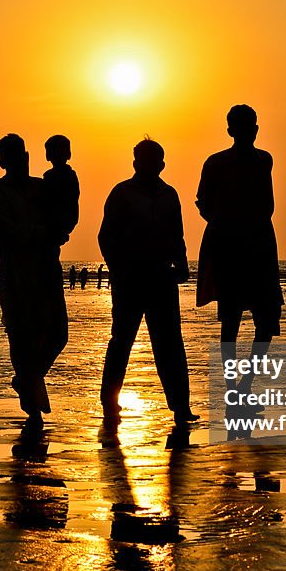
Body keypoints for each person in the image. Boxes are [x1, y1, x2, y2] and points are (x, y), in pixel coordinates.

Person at [98, 138, 199, 426]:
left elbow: (176, 234)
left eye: (154, 161)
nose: (148, 166)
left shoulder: (169, 195)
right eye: (143, 161)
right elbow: (106, 237)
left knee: (170, 344)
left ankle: (181, 406)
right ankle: (109, 403)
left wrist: (181, 265)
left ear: (162, 164)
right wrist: (119, 270)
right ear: (135, 163)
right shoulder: (121, 194)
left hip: (161, 277)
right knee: (121, 341)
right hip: (129, 279)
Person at [196, 105, 283, 398]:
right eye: (242, 126)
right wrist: (225, 225)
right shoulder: (216, 163)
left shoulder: (264, 161)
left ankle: (246, 383)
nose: (249, 131)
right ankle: (233, 385)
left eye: (252, 126)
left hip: (261, 246)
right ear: (231, 130)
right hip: (231, 248)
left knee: (266, 321)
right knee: (231, 320)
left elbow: (267, 203)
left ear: (256, 129)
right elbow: (204, 203)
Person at [0, 134, 68, 425]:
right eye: (11, 155)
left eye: (21, 153)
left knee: (58, 334)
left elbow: (62, 216)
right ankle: (32, 406)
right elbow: (8, 231)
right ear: (2, 161)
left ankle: (27, 380)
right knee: (21, 337)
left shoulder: (42, 186)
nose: (20, 159)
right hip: (17, 272)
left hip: (46, 269)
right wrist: (41, 232)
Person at [42, 135, 80, 246]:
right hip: (55, 223)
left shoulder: (68, 176)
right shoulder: (49, 176)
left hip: (60, 222)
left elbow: (70, 200)